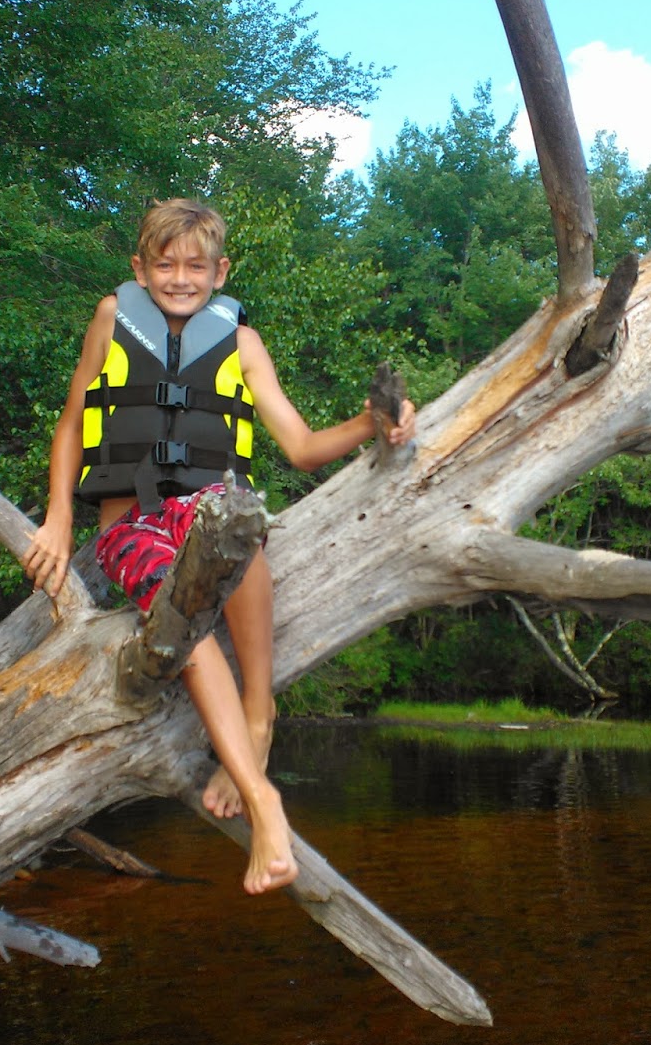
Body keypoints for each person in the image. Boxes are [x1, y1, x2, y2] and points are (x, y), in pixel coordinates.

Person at [24, 198, 415, 896]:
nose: (180, 278)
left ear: (220, 270)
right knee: (184, 619)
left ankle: (259, 714)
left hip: (210, 509)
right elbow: (74, 423)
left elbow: (299, 447)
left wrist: (368, 422)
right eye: (165, 265)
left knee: (237, 522)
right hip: (131, 524)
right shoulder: (113, 320)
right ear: (139, 268)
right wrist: (57, 520)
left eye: (195, 266)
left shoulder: (240, 341)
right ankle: (263, 796)